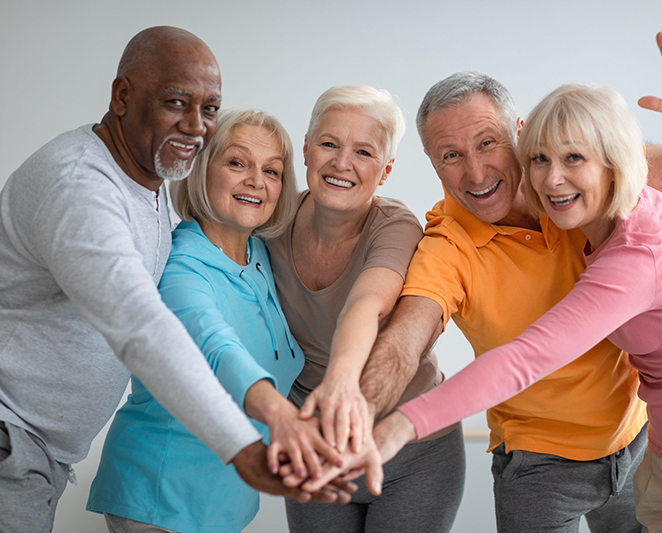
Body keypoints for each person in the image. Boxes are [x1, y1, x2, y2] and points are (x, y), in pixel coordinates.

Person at [299, 19, 662, 533]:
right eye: (451, 156)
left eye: (487, 143)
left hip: (640, 439)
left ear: (522, 132)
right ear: (432, 165)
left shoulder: (580, 170)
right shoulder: (447, 243)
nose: (476, 172)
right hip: (539, 466)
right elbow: (403, 341)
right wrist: (355, 411)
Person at [378, 82, 662, 532]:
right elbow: (408, 331)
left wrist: (404, 424)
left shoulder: (635, 249)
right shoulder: (567, 218)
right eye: (541, 160)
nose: (554, 178)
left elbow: (528, 357)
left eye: (573, 159)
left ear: (614, 163)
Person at [0, 27, 340, 533]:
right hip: (14, 436)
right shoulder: (80, 188)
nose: (195, 126)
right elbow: (143, 329)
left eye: (209, 109)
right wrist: (246, 447)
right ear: (122, 97)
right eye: (176, 102)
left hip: (41, 454)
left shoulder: (147, 185)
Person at [86, 108, 347, 533]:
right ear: (203, 169)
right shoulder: (179, 265)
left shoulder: (262, 255)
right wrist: (282, 416)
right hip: (163, 492)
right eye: (237, 163)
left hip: (225, 498)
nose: (257, 181)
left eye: (272, 171)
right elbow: (216, 346)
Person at [266, 84, 465, 533]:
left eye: (364, 152)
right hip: (318, 441)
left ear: (386, 169)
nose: (342, 163)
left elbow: (366, 304)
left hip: (414, 450)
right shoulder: (271, 221)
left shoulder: (396, 225)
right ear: (306, 150)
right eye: (329, 144)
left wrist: (340, 384)